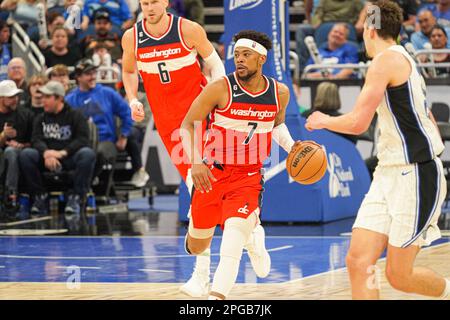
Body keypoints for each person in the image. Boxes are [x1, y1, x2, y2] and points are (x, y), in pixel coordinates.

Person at [305, 0, 450, 300]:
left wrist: (323, 120)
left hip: (416, 174)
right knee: (358, 261)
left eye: (364, 25)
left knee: (399, 276)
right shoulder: (403, 58)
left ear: (371, 29)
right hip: (388, 172)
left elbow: (358, 123)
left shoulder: (384, 61)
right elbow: (427, 117)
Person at [181, 30, 300, 300]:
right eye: (236, 55)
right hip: (211, 173)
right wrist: (196, 162)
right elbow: (188, 124)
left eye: (246, 55)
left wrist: (293, 147)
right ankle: (253, 234)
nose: (239, 60)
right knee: (196, 246)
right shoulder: (220, 88)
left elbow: (276, 127)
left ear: (261, 59)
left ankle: (216, 297)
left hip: (247, 177)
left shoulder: (278, 93)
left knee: (230, 246)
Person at [121, 0, 226, 297]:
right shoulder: (132, 36)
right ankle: (249, 228)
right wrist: (133, 99)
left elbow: (214, 62)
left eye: (154, 1)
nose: (150, 7)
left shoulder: (188, 29)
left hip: (198, 115)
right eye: (144, 2)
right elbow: (129, 72)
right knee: (206, 188)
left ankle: (201, 274)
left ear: (166, 2)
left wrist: (220, 98)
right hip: (170, 126)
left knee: (200, 186)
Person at [19, 81, 96, 231]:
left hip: (68, 157)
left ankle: (76, 197)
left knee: (87, 154)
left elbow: (82, 139)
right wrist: (46, 153)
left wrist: (63, 153)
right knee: (26, 155)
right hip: (47, 158)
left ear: (59, 98)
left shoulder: (75, 116)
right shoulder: (40, 118)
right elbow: (36, 139)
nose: (43, 100)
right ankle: (39, 196)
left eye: (48, 97)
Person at [66, 59, 148, 188]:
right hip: (81, 142)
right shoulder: (70, 99)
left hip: (106, 141)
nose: (93, 77)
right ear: (78, 77)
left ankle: (85, 183)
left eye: (94, 73)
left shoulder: (107, 93)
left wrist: (123, 136)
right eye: (88, 74)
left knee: (99, 153)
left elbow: (127, 113)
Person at [0, 80, 32, 217]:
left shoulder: (26, 114)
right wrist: (3, 136)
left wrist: (22, 145)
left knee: (11, 151)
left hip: (20, 154)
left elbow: (35, 140)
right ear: (1, 99)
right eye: (11, 97)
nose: (15, 100)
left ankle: (11, 195)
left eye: (17, 96)